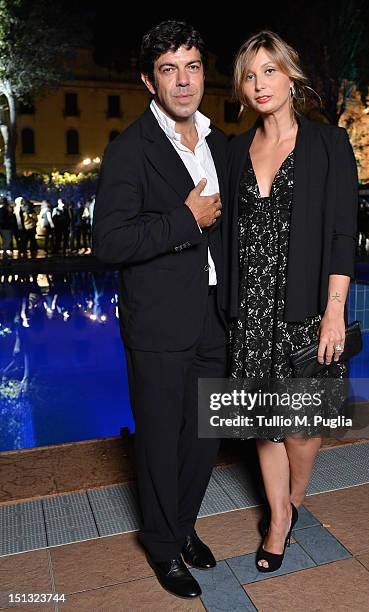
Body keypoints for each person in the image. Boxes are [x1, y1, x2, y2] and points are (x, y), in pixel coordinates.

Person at [92, 21, 228, 600]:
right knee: (159, 441)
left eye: (192, 66)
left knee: (204, 437)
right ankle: (162, 544)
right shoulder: (130, 149)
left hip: (214, 318)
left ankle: (183, 526)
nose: (183, 80)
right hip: (157, 324)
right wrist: (184, 219)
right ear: (149, 80)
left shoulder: (221, 141)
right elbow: (109, 242)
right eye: (169, 69)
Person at [227, 31, 358, 573]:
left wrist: (334, 309)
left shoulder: (329, 144)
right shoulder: (235, 151)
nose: (261, 84)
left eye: (270, 71)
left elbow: (342, 232)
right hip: (251, 309)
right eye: (250, 75)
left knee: (305, 426)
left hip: (306, 305)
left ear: (291, 76)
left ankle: (293, 501)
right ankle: (279, 520)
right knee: (264, 424)